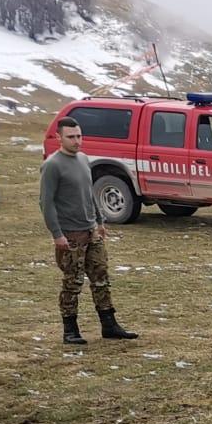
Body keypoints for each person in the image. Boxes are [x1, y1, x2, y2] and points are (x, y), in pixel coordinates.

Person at [39, 117, 137, 344]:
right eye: (71, 137)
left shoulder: (83, 159)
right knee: (72, 282)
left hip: (91, 229)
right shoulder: (53, 165)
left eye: (79, 136)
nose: (76, 141)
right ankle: (70, 330)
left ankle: (109, 325)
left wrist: (100, 221)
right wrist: (57, 235)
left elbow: (89, 193)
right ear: (59, 137)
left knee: (101, 277)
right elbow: (46, 203)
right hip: (70, 234)